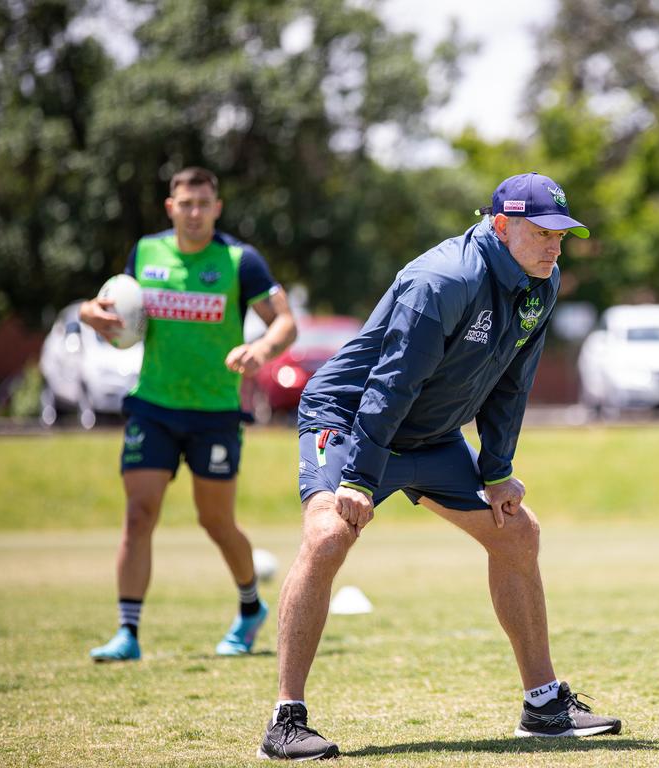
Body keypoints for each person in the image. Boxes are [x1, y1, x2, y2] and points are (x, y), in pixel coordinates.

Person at [257, 172, 621, 761]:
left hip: (429, 436)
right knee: (327, 538)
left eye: (562, 233)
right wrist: (357, 480)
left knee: (518, 533)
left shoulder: (540, 282)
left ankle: (544, 704)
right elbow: (389, 387)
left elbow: (511, 385)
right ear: (502, 226)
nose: (555, 245)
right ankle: (286, 720)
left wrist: (498, 471)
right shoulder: (443, 281)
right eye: (542, 232)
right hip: (352, 421)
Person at [82, 166, 297, 662]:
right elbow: (113, 309)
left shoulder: (241, 261)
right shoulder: (147, 252)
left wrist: (262, 349)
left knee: (216, 521)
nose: (195, 212)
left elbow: (285, 322)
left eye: (204, 203)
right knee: (138, 515)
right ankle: (128, 633)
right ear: (170, 206)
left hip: (215, 412)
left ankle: (249, 608)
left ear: (217, 208)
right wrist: (90, 314)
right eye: (186, 203)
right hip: (154, 404)